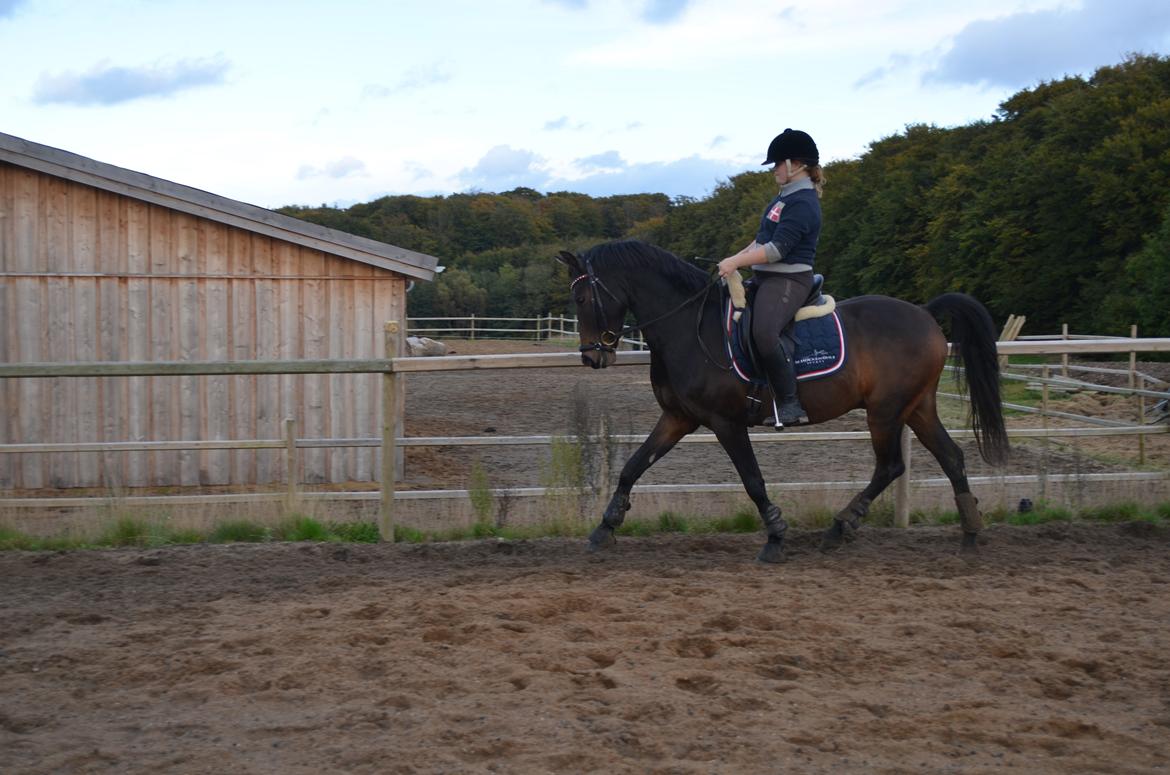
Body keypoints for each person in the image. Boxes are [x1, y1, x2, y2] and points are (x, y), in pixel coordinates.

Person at [717, 128, 824, 428]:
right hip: (766, 279)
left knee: (765, 333)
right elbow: (760, 241)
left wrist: (736, 261)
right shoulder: (782, 199)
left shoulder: (803, 203)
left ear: (796, 164)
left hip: (789, 281)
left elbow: (776, 250)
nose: (774, 169)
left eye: (777, 163)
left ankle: (791, 403)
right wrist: (733, 262)